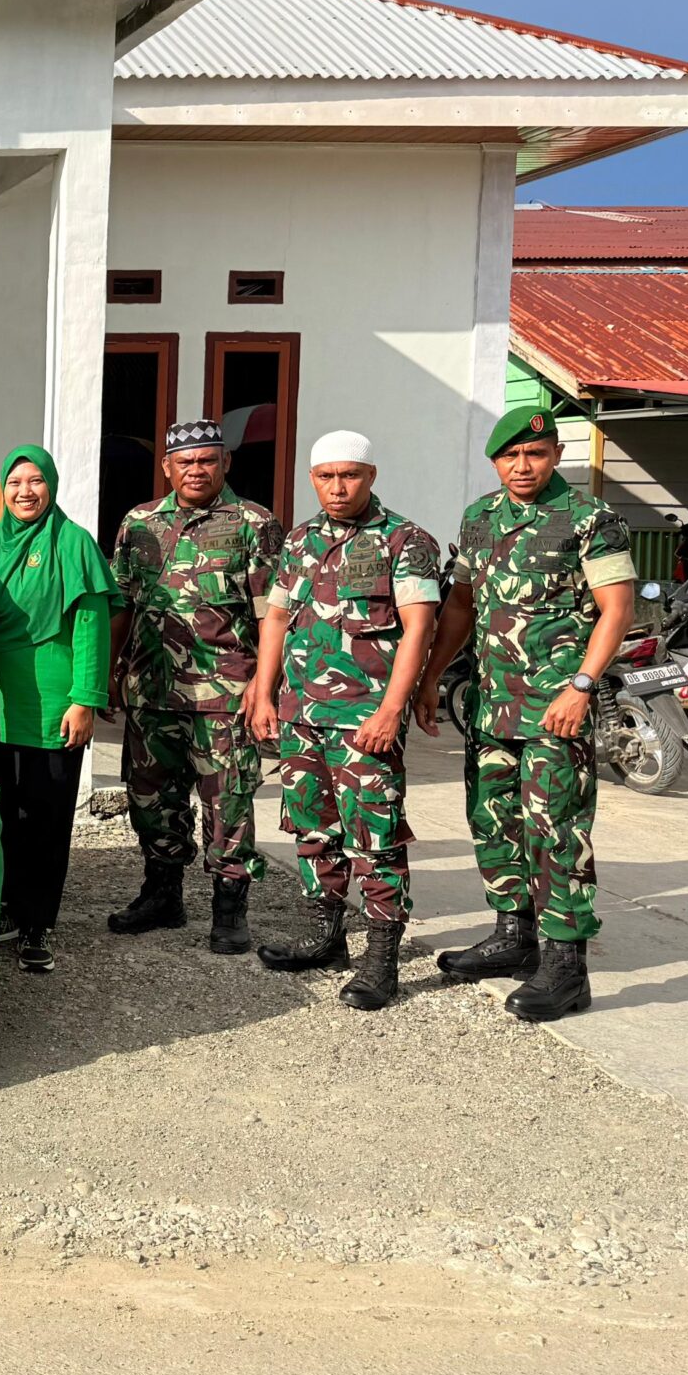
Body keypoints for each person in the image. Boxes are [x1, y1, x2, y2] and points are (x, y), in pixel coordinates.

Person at [413, 407, 637, 1021]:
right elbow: (461, 605)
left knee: (556, 830)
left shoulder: (590, 519)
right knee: (494, 819)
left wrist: (582, 687)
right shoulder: (480, 518)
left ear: (556, 455)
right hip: (491, 706)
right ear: (495, 461)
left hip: (554, 709)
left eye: (534, 454)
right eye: (509, 456)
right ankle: (514, 935)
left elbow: (617, 610)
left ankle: (566, 966)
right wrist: (431, 676)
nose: (522, 466)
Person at [246, 432, 442, 1009]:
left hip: (365, 718)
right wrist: (263, 693)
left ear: (371, 476)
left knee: (375, 835)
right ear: (312, 478)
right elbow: (276, 619)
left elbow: (420, 627)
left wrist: (391, 709)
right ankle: (325, 936)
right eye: (326, 476)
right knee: (312, 827)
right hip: (301, 714)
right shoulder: (300, 540)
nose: (338, 487)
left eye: (350, 475)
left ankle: (381, 960)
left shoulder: (405, 540)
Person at [105, 419, 283, 954]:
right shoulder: (139, 523)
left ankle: (229, 908)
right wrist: (109, 673)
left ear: (225, 462)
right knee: (151, 797)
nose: (196, 470)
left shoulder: (254, 523)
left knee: (228, 802)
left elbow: (273, 615)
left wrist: (264, 687)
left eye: (207, 460)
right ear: (167, 468)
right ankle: (163, 894)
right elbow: (122, 603)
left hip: (225, 694)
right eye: (185, 462)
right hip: (151, 688)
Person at [0, 446, 114, 973]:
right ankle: (8, 904)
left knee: (47, 816)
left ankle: (38, 923)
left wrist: (85, 700)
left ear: (51, 485)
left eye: (35, 481)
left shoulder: (72, 543)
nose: (24, 491)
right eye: (14, 482)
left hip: (55, 703)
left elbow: (92, 625)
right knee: (3, 811)